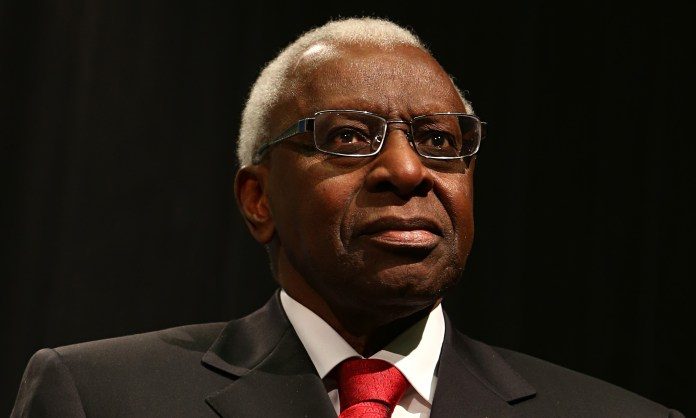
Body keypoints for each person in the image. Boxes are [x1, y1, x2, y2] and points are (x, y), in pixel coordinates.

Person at [12, 17, 683, 418]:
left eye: (439, 140)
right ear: (258, 199)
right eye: (351, 137)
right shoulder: (100, 398)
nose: (409, 170)